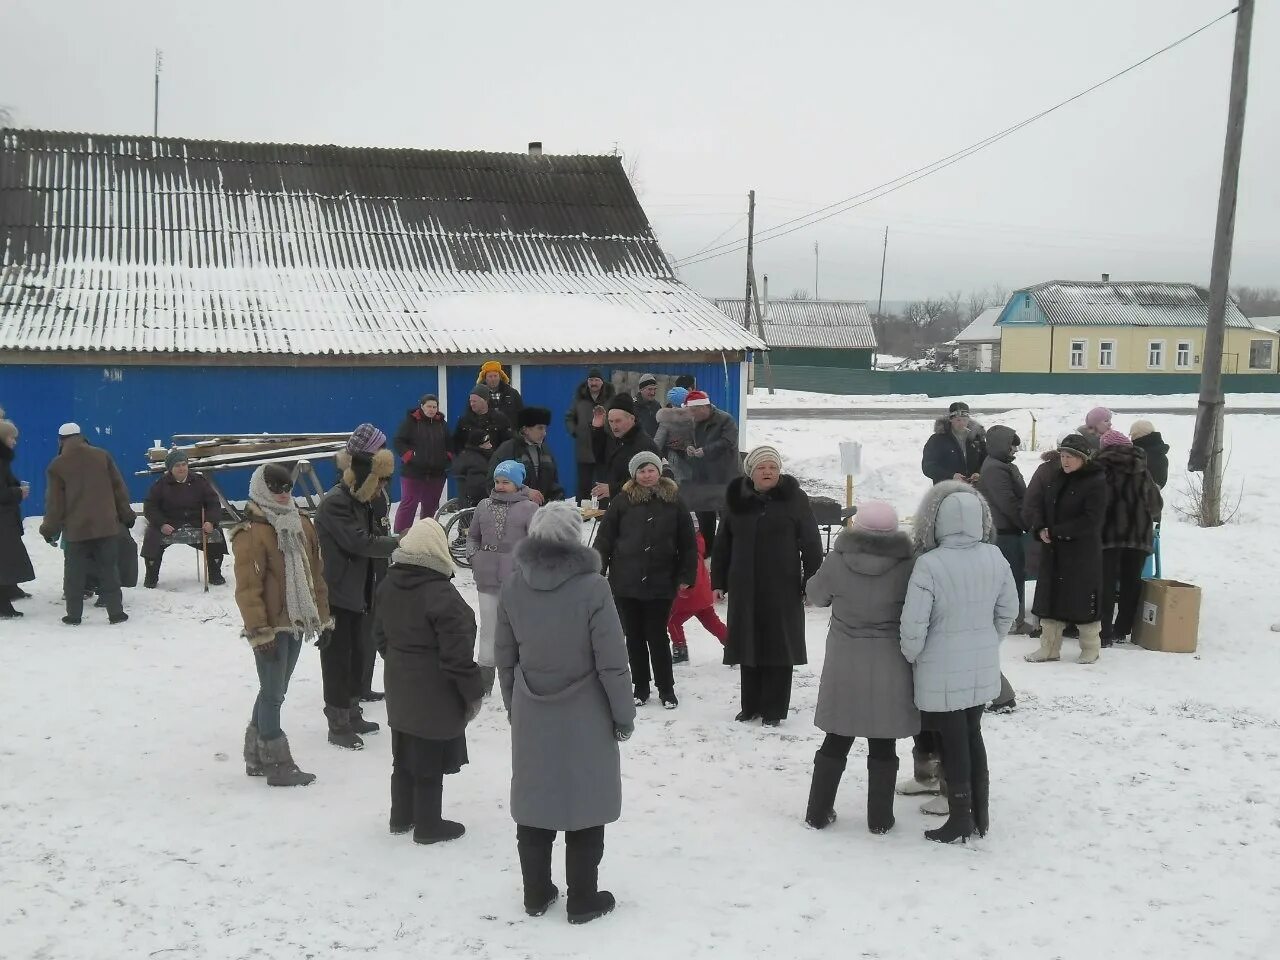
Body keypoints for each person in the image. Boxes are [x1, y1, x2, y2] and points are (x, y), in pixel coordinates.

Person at [495, 501, 635, 924]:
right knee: (585, 800)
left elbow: (504, 655)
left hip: (532, 708)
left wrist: (512, 704)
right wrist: (623, 714)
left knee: (536, 797)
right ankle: (583, 899)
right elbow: (611, 660)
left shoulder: (513, 586)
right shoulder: (593, 587)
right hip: (586, 710)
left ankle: (536, 892)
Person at [900, 481, 1018, 843]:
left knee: (952, 741)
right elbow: (1008, 611)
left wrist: (913, 655)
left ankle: (961, 817)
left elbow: (914, 623)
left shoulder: (929, 564)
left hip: (940, 666)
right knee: (972, 735)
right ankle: (980, 814)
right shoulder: (994, 557)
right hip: (981, 664)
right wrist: (987, 641)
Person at [804, 500, 917, 834]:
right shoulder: (909, 564)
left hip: (845, 659)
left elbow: (816, 595)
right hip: (890, 660)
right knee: (883, 741)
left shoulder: (838, 560)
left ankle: (817, 812)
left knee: (836, 737)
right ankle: (880, 819)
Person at [376, 516, 485, 844]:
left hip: (399, 683)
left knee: (403, 753)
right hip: (435, 690)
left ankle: (401, 817)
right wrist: (473, 693)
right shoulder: (442, 595)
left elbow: (379, 637)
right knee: (429, 761)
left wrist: (399, 663)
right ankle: (428, 825)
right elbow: (458, 655)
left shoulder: (388, 584)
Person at [230, 463, 331, 787]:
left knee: (276, 689)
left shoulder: (301, 524)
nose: (284, 495)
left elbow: (315, 574)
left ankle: (256, 755)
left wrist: (324, 619)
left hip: (297, 621)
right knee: (273, 693)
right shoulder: (252, 532)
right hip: (272, 627)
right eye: (277, 488)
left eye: (288, 488)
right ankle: (276, 762)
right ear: (262, 489)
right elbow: (248, 589)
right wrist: (260, 633)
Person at [712, 446, 823, 726]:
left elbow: (811, 541)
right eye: (761, 467)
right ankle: (750, 706)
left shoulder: (795, 499)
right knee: (747, 642)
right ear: (751, 472)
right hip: (744, 584)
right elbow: (723, 542)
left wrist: (812, 580)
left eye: (773, 467)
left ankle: (774, 709)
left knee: (778, 645)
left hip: (782, 584)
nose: (768, 472)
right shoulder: (736, 499)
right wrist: (718, 581)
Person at [314, 424, 400, 749]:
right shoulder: (337, 503)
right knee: (336, 659)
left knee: (355, 654)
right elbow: (360, 542)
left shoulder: (361, 501)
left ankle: (352, 711)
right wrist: (398, 543)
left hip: (358, 591)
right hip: (336, 592)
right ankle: (337, 722)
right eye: (378, 483)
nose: (382, 490)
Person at [594, 451, 697, 709]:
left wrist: (686, 574)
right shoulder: (622, 501)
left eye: (651, 469)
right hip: (625, 581)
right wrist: (597, 569)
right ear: (634, 475)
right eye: (641, 471)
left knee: (657, 635)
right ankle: (640, 687)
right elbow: (605, 539)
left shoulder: (674, 501)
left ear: (658, 472)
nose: (647, 475)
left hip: (662, 580)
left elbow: (687, 543)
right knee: (634, 636)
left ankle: (666, 689)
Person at [39, 423, 136, 626]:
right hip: (106, 526)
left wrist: (49, 529)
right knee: (109, 569)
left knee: (74, 573)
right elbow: (119, 488)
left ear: (60, 440)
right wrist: (127, 514)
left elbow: (55, 504)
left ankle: (74, 616)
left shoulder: (57, 465)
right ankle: (116, 613)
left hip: (76, 530)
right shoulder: (102, 456)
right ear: (82, 437)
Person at [1025, 434, 1108, 665]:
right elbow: (1040, 505)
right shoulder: (1056, 478)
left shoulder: (1096, 482)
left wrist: (1057, 531)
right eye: (1062, 456)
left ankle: (1090, 649)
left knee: (1082, 600)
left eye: (1070, 456)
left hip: (1081, 553)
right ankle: (1048, 648)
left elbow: (1092, 520)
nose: (1065, 461)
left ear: (1083, 458)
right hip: (1054, 551)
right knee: (1049, 598)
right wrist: (1040, 527)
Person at [467, 460, 539, 696]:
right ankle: (484, 680)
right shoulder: (483, 505)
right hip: (486, 577)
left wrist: (527, 567)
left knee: (519, 629)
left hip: (517, 579)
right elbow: (473, 536)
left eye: (506, 482)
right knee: (488, 629)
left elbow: (536, 542)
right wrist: (473, 556)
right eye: (497, 481)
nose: (500, 486)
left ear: (518, 483)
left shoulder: (529, 508)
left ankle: (520, 679)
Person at [1095, 430, 1163, 646]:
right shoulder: (1142, 468)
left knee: (1104, 584)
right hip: (1138, 536)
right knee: (1130, 583)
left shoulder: (1098, 468)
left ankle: (1103, 632)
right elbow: (1156, 505)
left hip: (1108, 536)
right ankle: (1122, 629)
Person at [141, 448, 225, 588]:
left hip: (196, 521)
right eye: (177, 465)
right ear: (170, 469)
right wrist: (161, 524)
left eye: (183, 464)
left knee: (216, 534)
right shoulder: (161, 484)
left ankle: (215, 574)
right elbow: (150, 507)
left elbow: (213, 503)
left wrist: (210, 521)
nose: (181, 468)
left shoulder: (199, 481)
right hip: (170, 522)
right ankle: (151, 577)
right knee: (152, 536)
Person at [976, 425, 1031, 640]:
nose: (1015, 450)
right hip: (1004, 532)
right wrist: (1026, 522)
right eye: (1012, 445)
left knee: (1013, 575)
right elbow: (1007, 502)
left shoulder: (1002, 465)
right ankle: (1011, 621)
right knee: (1010, 577)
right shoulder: (995, 469)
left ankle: (1011, 618)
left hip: (1009, 529)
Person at [683, 390, 740, 553]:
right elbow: (687, 437)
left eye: (693, 410)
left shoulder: (725, 420)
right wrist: (688, 446)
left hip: (724, 476)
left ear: (703, 407)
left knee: (727, 515)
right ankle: (707, 549)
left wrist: (706, 450)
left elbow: (728, 442)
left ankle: (729, 549)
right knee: (704, 515)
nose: (691, 414)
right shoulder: (693, 421)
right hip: (702, 476)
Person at [666, 515, 725, 663]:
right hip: (703, 595)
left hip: (689, 596)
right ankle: (731, 643)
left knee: (672, 621)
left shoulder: (684, 552)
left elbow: (688, 576)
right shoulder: (697, 548)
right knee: (712, 622)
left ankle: (680, 649)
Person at [392, 394, 451, 533]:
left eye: (434, 407)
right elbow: (398, 441)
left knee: (430, 506)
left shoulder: (442, 423)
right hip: (413, 472)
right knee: (409, 504)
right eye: (429, 406)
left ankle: (425, 535)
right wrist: (410, 456)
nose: (431, 409)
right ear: (422, 406)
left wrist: (447, 457)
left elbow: (450, 443)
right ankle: (400, 536)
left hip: (436, 473)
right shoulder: (411, 422)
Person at [589, 394, 659, 507]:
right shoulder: (620, 438)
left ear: (632, 418)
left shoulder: (643, 445)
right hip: (620, 505)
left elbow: (647, 481)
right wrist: (597, 430)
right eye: (611, 421)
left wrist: (613, 489)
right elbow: (601, 458)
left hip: (640, 509)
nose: (614, 426)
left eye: (618, 421)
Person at [488, 407, 564, 505]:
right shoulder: (507, 450)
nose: (544, 433)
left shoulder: (546, 451)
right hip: (514, 513)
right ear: (525, 430)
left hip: (541, 513)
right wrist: (524, 493)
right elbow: (492, 485)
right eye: (540, 428)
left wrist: (558, 500)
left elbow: (553, 483)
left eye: (545, 428)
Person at [0, 416, 35, 618]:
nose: (15, 441)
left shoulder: (4, 460)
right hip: (2, 521)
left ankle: (6, 601)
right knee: (5, 563)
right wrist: (17, 492)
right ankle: (4, 606)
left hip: (5, 520)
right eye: (12, 437)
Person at [565, 368, 615, 503]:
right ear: (587, 382)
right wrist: (575, 431)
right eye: (591, 380)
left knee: (602, 483)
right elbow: (569, 417)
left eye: (597, 380)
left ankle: (603, 513)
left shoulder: (610, 399)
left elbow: (616, 417)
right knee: (583, 485)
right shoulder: (579, 399)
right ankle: (583, 514)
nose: (594, 383)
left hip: (604, 447)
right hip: (584, 447)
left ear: (602, 382)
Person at [921, 401, 986, 485]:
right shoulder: (937, 439)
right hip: (946, 488)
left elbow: (986, 460)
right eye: (958, 420)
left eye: (964, 420)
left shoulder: (976, 438)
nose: (962, 423)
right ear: (951, 419)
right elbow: (928, 467)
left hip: (973, 488)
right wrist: (951, 476)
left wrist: (978, 473)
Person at [452, 388, 512, 455]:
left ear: (485, 400)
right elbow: (457, 443)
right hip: (471, 461)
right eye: (470, 401)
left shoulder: (500, 419)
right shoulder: (464, 420)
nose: (472, 404)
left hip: (493, 460)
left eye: (474, 401)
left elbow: (507, 442)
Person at [653, 387, 694, 483]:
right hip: (692, 455)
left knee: (676, 482)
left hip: (674, 457)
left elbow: (657, 443)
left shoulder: (667, 419)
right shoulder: (693, 418)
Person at [455, 428, 497, 507]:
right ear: (480, 445)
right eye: (487, 443)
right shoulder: (478, 462)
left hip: (466, 501)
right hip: (478, 504)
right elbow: (480, 487)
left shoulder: (467, 456)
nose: (491, 445)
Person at [1129, 420, 1170, 489]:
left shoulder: (1142, 456)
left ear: (1137, 435)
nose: (1131, 438)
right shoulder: (1159, 453)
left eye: (1132, 435)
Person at [633, 373, 661, 438]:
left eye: (654, 389)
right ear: (641, 390)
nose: (653, 393)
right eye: (650, 389)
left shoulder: (656, 406)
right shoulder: (632, 406)